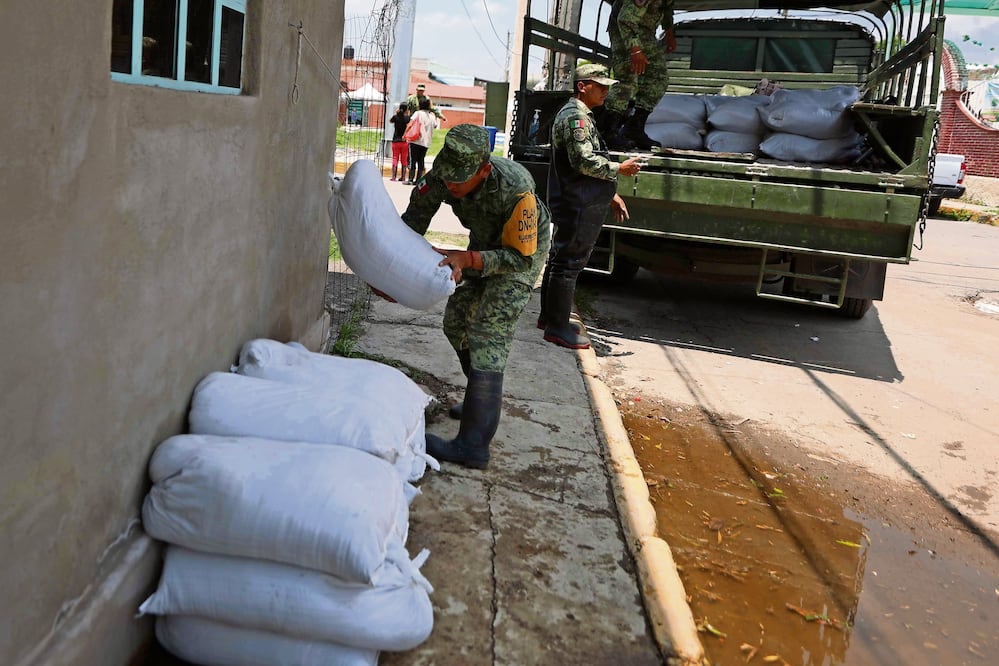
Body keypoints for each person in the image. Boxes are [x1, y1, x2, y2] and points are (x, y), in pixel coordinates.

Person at [399, 124, 552, 469]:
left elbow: (520, 258)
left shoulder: (516, 188)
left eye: (460, 179)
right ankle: (477, 399)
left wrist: (467, 259)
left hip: (518, 255)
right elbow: (411, 226)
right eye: (447, 176)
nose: (451, 185)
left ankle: (473, 445)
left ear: (484, 170)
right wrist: (395, 275)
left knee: (487, 333)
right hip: (484, 245)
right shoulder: (443, 174)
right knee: (456, 321)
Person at [541, 63, 642, 349]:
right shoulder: (576, 118)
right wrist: (618, 168)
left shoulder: (579, 115)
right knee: (568, 264)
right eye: (600, 86)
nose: (606, 91)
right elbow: (583, 161)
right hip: (578, 202)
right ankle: (557, 327)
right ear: (582, 86)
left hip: (578, 198)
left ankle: (550, 318)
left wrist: (610, 194)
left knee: (560, 259)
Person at [603, 0, 676, 150]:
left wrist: (669, 33)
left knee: (658, 78)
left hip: (645, 32)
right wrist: (635, 50)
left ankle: (633, 129)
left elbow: (667, 8)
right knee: (626, 79)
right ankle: (606, 133)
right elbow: (625, 19)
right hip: (623, 29)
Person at [406, 98, 438, 185]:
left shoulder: (418, 113)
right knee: (421, 161)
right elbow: (435, 126)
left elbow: (410, 124)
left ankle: (410, 179)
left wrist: (405, 134)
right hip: (426, 142)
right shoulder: (431, 116)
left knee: (412, 160)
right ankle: (418, 180)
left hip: (415, 140)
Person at [388, 103, 411, 182]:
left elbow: (390, 121)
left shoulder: (396, 117)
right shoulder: (407, 118)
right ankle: (403, 177)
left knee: (395, 158)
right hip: (404, 141)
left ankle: (394, 177)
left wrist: (396, 113)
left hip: (395, 141)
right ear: (406, 109)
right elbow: (410, 124)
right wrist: (408, 114)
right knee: (404, 159)